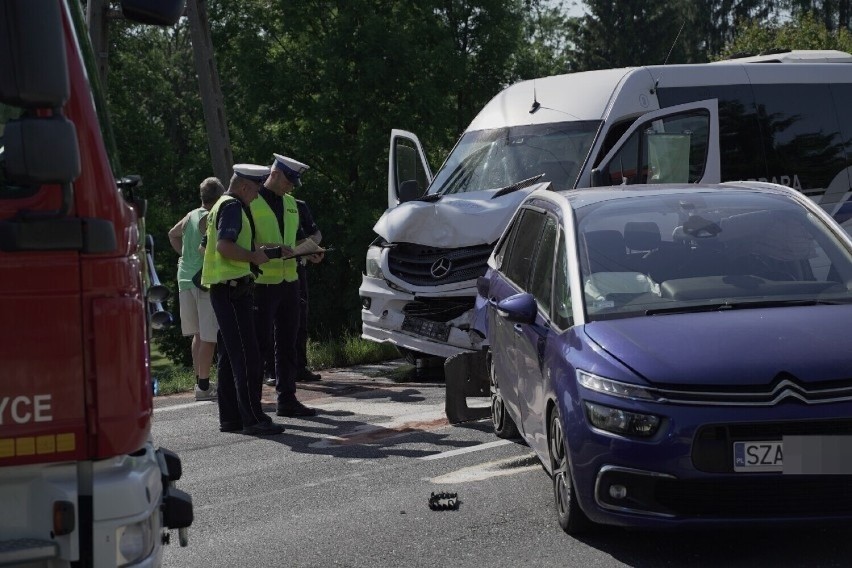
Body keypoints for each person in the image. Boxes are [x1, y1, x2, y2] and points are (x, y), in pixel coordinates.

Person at [201, 163, 284, 436]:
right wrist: (251, 257)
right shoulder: (234, 206)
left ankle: (232, 418)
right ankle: (253, 418)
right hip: (233, 290)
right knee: (248, 356)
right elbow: (223, 246)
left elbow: (207, 245)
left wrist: (256, 251)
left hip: (224, 289)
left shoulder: (220, 205)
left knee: (229, 356)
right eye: (257, 189)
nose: (258, 195)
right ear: (245, 186)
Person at [256, 153, 320, 417]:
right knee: (258, 344)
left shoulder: (292, 203)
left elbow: (299, 238)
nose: (291, 187)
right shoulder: (251, 201)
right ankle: (252, 402)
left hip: (289, 281)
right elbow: (243, 244)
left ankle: (287, 398)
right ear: (275, 174)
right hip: (260, 282)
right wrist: (270, 249)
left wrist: (312, 251)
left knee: (287, 342)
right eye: (289, 181)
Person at [168, 177, 224, 401]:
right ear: (219, 197)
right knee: (209, 335)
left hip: (184, 279)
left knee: (198, 334)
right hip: (203, 280)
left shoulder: (191, 215)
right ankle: (203, 387)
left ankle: (200, 380)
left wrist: (184, 255)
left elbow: (173, 234)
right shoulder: (210, 217)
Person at [294, 198, 324, 382]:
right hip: (269, 272)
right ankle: (271, 370)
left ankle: (300, 366)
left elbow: (316, 233)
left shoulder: (298, 205)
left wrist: (312, 247)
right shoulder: (261, 203)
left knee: (300, 320)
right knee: (274, 323)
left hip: (298, 267)